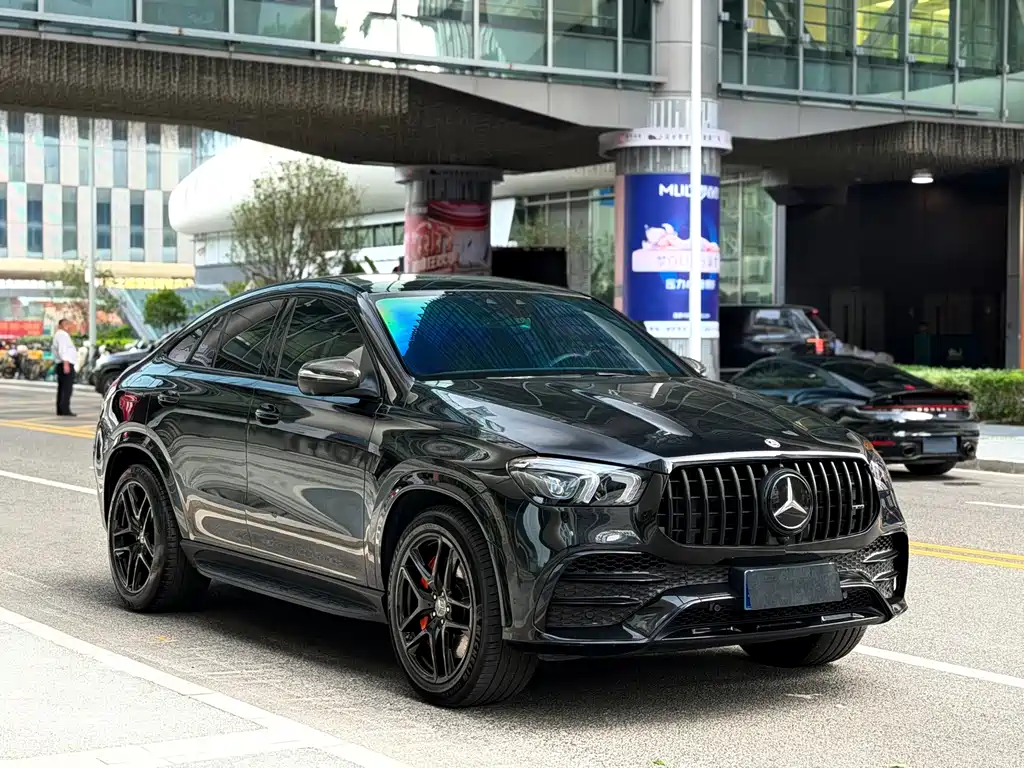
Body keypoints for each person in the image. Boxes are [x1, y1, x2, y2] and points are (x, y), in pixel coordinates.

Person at [51, 319, 78, 417]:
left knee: (62, 388)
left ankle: (61, 409)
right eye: (69, 325)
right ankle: (65, 409)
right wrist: (66, 363)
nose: (71, 327)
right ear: (64, 325)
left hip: (62, 363)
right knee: (67, 388)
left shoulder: (59, 334)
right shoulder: (62, 335)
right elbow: (63, 350)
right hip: (65, 363)